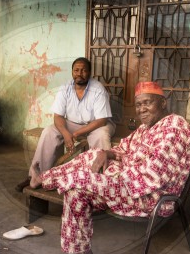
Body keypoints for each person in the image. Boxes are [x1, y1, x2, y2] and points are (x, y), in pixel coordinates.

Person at [33, 81, 190, 254]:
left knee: (81, 179)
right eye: (138, 105)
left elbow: (153, 176)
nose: (141, 109)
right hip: (126, 184)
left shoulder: (175, 127)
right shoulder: (146, 127)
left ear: (162, 103)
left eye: (147, 103)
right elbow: (124, 148)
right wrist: (108, 155)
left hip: (151, 196)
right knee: (90, 165)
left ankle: (46, 179)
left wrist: (112, 175)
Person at [16, 57, 116, 191]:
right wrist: (65, 133)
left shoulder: (98, 89)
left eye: (83, 70)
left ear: (90, 73)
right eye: (76, 70)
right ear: (72, 72)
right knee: (49, 131)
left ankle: (101, 179)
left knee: (101, 135)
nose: (79, 73)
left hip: (96, 124)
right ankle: (36, 176)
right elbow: (57, 116)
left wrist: (76, 133)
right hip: (73, 123)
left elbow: (101, 120)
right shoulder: (65, 88)